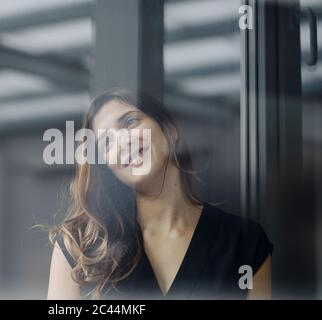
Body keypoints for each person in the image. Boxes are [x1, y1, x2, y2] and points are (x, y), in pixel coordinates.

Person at [47, 89, 273, 300]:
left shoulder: (245, 242)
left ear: (169, 131)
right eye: (107, 142)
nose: (123, 142)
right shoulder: (79, 246)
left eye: (130, 122)